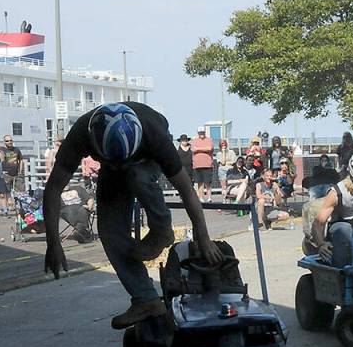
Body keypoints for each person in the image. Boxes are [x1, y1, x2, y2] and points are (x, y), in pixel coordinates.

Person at [43, 102, 225, 329]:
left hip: (145, 160)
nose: (121, 167)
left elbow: (186, 190)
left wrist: (203, 237)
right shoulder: (80, 135)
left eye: (123, 161)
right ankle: (145, 300)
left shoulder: (154, 137)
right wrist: (53, 243)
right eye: (114, 162)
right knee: (109, 231)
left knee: (137, 175)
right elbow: (52, 190)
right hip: (111, 160)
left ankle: (161, 231)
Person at [191, 127, 215, 202]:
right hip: (197, 165)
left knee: (208, 182)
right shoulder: (194, 141)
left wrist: (198, 149)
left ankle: (209, 197)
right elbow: (193, 149)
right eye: (200, 132)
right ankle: (201, 198)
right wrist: (203, 149)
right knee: (199, 182)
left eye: (203, 132)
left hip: (207, 165)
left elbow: (209, 148)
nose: (201, 134)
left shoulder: (209, 140)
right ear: (198, 133)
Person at [0, 135, 25, 205]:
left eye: (10, 140)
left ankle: (20, 205)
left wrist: (20, 171)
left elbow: (21, 160)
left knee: (20, 190)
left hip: (16, 174)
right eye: (7, 141)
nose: (9, 142)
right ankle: (9, 206)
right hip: (6, 174)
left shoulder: (16, 150)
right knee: (7, 191)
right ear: (4, 142)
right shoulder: (2, 150)